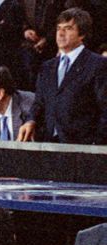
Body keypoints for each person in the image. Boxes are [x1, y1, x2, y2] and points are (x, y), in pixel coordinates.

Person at [19, 8, 107, 145]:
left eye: (68, 28)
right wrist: (31, 120)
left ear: (82, 34)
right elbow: (39, 102)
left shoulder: (98, 64)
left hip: (82, 148)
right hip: (49, 144)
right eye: (58, 28)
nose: (60, 33)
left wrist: (97, 143)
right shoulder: (46, 67)